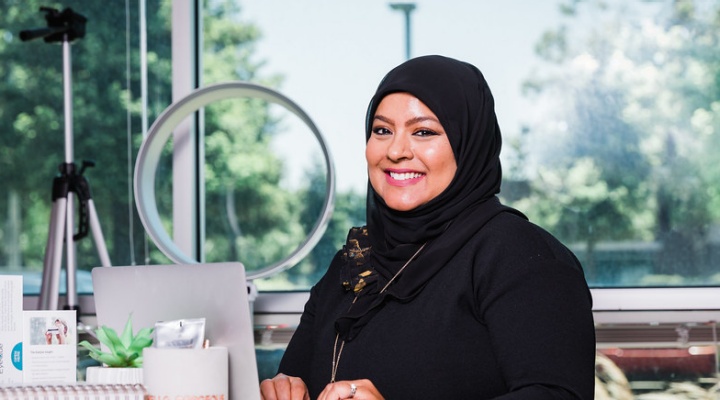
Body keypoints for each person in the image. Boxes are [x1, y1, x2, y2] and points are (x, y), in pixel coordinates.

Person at [260, 55, 596, 400]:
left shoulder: (518, 254)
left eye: (423, 132)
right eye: (382, 130)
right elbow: (298, 374)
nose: (396, 151)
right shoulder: (353, 262)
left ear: (469, 144)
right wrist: (287, 386)